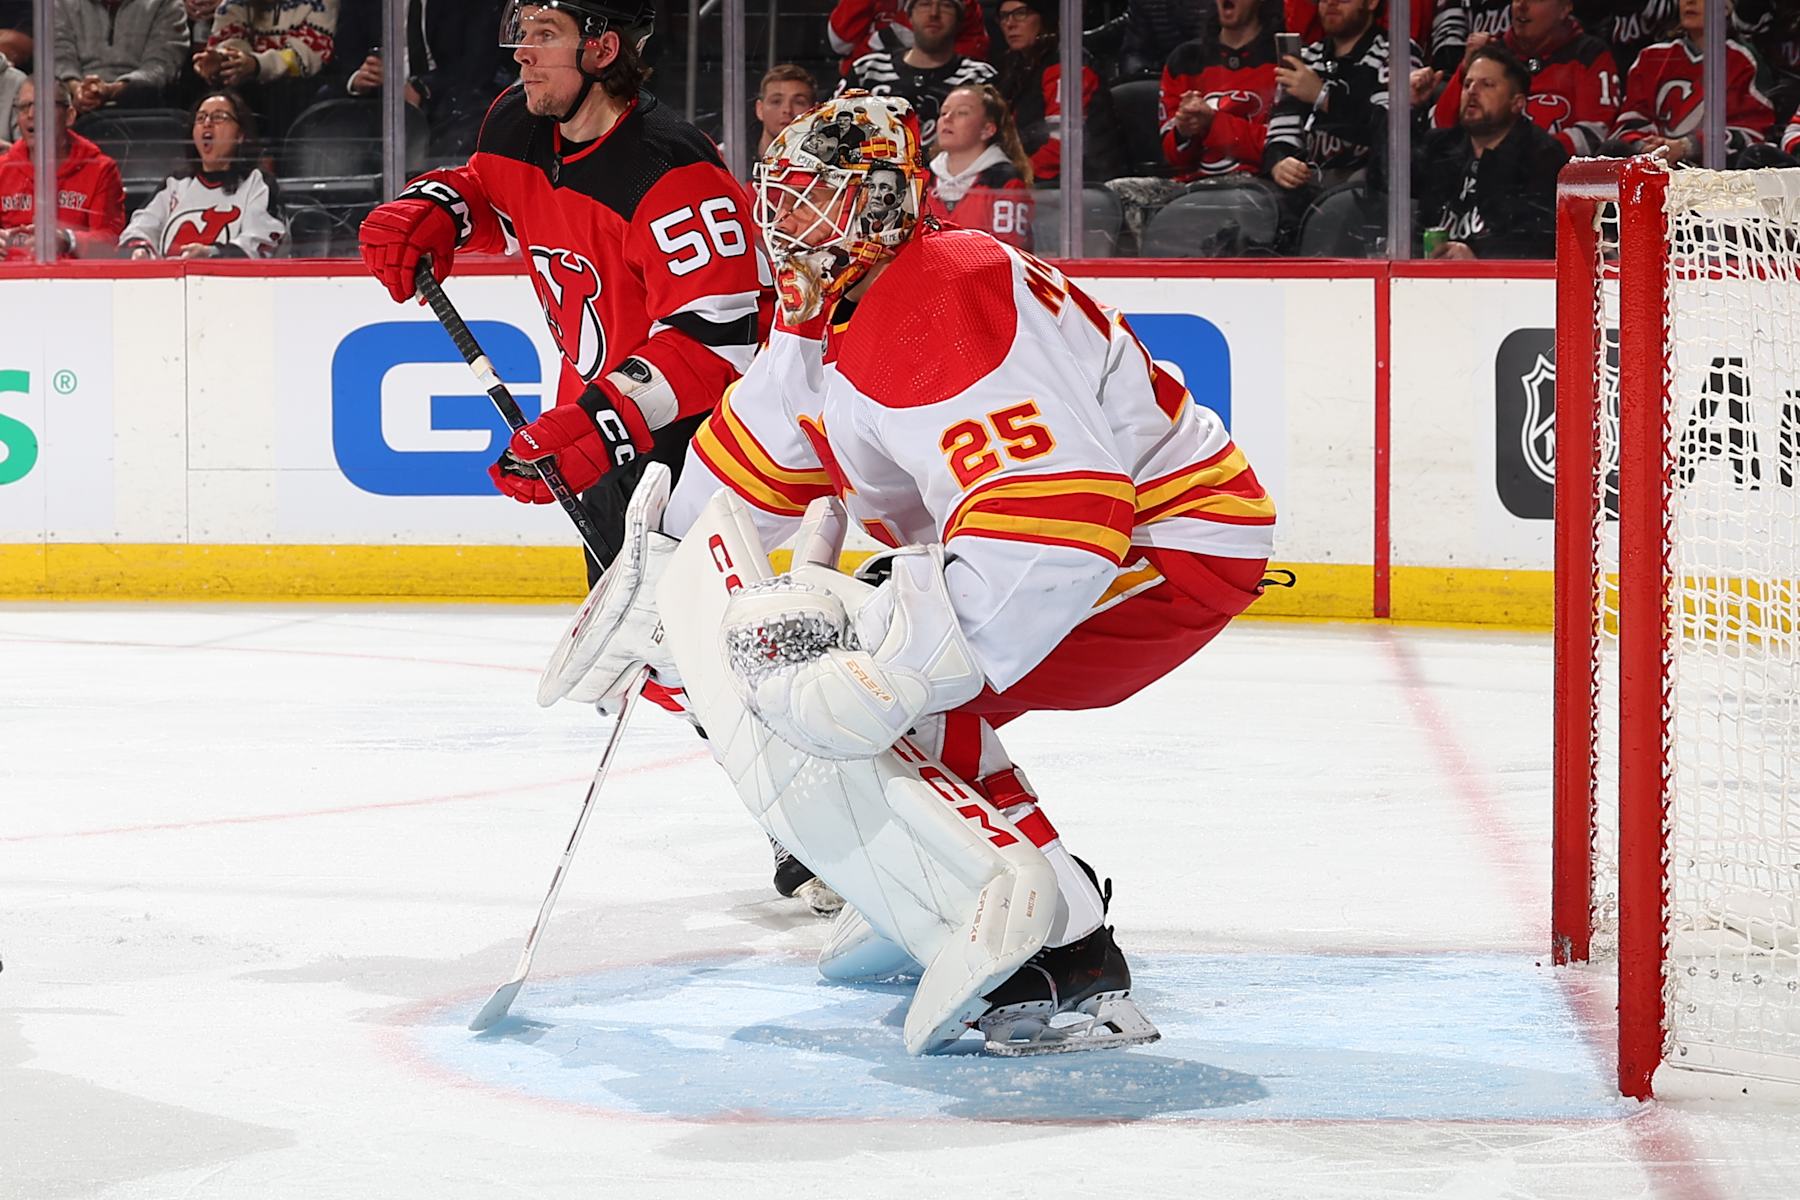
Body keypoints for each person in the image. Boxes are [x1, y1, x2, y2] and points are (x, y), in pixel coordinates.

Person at [572, 91, 1274, 1056]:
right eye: (778, 197)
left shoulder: (944, 290)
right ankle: (938, 899)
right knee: (835, 670)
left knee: (873, 696)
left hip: (1165, 548)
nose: (783, 223)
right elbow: (765, 448)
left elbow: (1065, 513)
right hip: (1051, 546)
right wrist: (656, 580)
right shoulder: (834, 306)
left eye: (812, 199)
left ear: (876, 207)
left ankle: (1067, 958)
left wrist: (901, 672)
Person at [355, 0, 839, 917]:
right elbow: (497, 195)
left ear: (604, 48)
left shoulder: (675, 171)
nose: (520, 53)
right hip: (613, 427)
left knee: (719, 644)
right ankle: (812, 822)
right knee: (670, 657)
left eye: (542, 34)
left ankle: (838, 822)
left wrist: (599, 424)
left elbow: (720, 336)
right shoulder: (515, 122)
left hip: (703, 440)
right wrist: (445, 207)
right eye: (520, 32)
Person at [1263, 0, 1418, 248]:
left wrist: (1323, 96)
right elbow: (1280, 128)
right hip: (1308, 183)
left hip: (1365, 187)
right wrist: (1281, 162)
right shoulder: (1307, 56)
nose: (1331, 3)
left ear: (1371, 3)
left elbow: (1389, 129)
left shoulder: (1398, 51)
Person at [1414, 43, 1566, 259]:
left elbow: (1540, 244)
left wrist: (1479, 263)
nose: (1472, 91)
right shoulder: (1441, 146)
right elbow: (1382, 182)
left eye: (1487, 84)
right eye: (1467, 84)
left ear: (1517, 103)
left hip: (1504, 288)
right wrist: (1406, 107)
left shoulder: (1542, 156)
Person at [1420, 0, 1619, 158]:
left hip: (1554, 183)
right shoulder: (1491, 56)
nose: (1521, 5)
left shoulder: (1590, 54)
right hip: (1485, 176)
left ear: (1564, 8)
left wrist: (1528, 157)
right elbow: (1441, 126)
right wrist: (1466, 67)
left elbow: (1595, 135)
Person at [323, 0, 515, 159]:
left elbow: (477, 61)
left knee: (469, 125)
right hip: (374, 98)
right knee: (329, 123)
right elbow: (343, 55)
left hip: (450, 98)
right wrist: (359, 77)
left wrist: (421, 88)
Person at [1603, 0, 1776, 168]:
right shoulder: (1651, 57)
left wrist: (1688, 146)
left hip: (1721, 179)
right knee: (1611, 150)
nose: (1689, 2)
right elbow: (1630, 122)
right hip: (1655, 170)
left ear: (1726, 7)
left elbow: (1753, 133)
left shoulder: (1743, 60)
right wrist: (1645, 146)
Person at [120, 90, 286, 259]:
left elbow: (262, 240)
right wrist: (140, 249)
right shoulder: (175, 183)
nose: (207, 123)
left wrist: (212, 254)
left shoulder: (257, 182)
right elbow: (140, 227)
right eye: (200, 118)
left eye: (219, 117)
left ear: (240, 135)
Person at [992, 0, 1124, 182]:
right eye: (1004, 16)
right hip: (1034, 181)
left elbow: (1062, 147)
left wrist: (1009, 178)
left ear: (1045, 17)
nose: (1010, 23)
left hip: (1078, 187)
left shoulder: (1070, 66)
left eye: (1021, 13)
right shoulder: (1015, 68)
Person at [0, 78, 126, 260]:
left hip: (76, 283)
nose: (31, 114)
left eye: (42, 107)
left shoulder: (100, 170)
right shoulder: (4, 168)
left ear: (69, 116)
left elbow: (110, 245)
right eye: (24, 107)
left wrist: (68, 240)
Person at [839, 0, 996, 146]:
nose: (934, 13)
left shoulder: (980, 77)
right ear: (909, 16)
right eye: (925, 4)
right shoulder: (867, 69)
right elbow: (827, 133)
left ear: (958, 20)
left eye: (946, 5)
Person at [1161, 0, 1279, 180]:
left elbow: (1283, 148)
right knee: (1119, 193)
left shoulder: (1283, 58)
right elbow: (1174, 159)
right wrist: (1183, 131)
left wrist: (1213, 124)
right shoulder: (1185, 60)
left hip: (1261, 186)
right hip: (1192, 190)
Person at [196, 0, 342, 135]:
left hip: (300, 99)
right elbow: (230, 42)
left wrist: (256, 64)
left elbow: (307, 56)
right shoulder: (233, 4)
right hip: (247, 95)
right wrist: (222, 60)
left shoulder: (321, 3)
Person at [922, 83, 1033, 248]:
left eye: (962, 113)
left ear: (987, 130)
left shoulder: (1005, 182)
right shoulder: (922, 178)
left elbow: (1013, 254)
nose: (947, 118)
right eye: (944, 112)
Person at [55, 0, 190, 114]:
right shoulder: (61, 3)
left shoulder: (166, 3)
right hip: (74, 105)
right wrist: (78, 89)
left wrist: (111, 90)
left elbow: (161, 65)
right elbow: (58, 56)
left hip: (144, 107)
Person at [826, 0, 988, 78]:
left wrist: (857, 55)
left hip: (946, 85)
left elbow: (923, 41)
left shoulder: (937, 6)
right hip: (876, 83)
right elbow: (839, 42)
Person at [753, 64, 816, 162]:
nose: (787, 110)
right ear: (760, 109)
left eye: (798, 102)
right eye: (776, 101)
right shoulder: (730, 158)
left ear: (815, 111)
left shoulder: (828, 169)